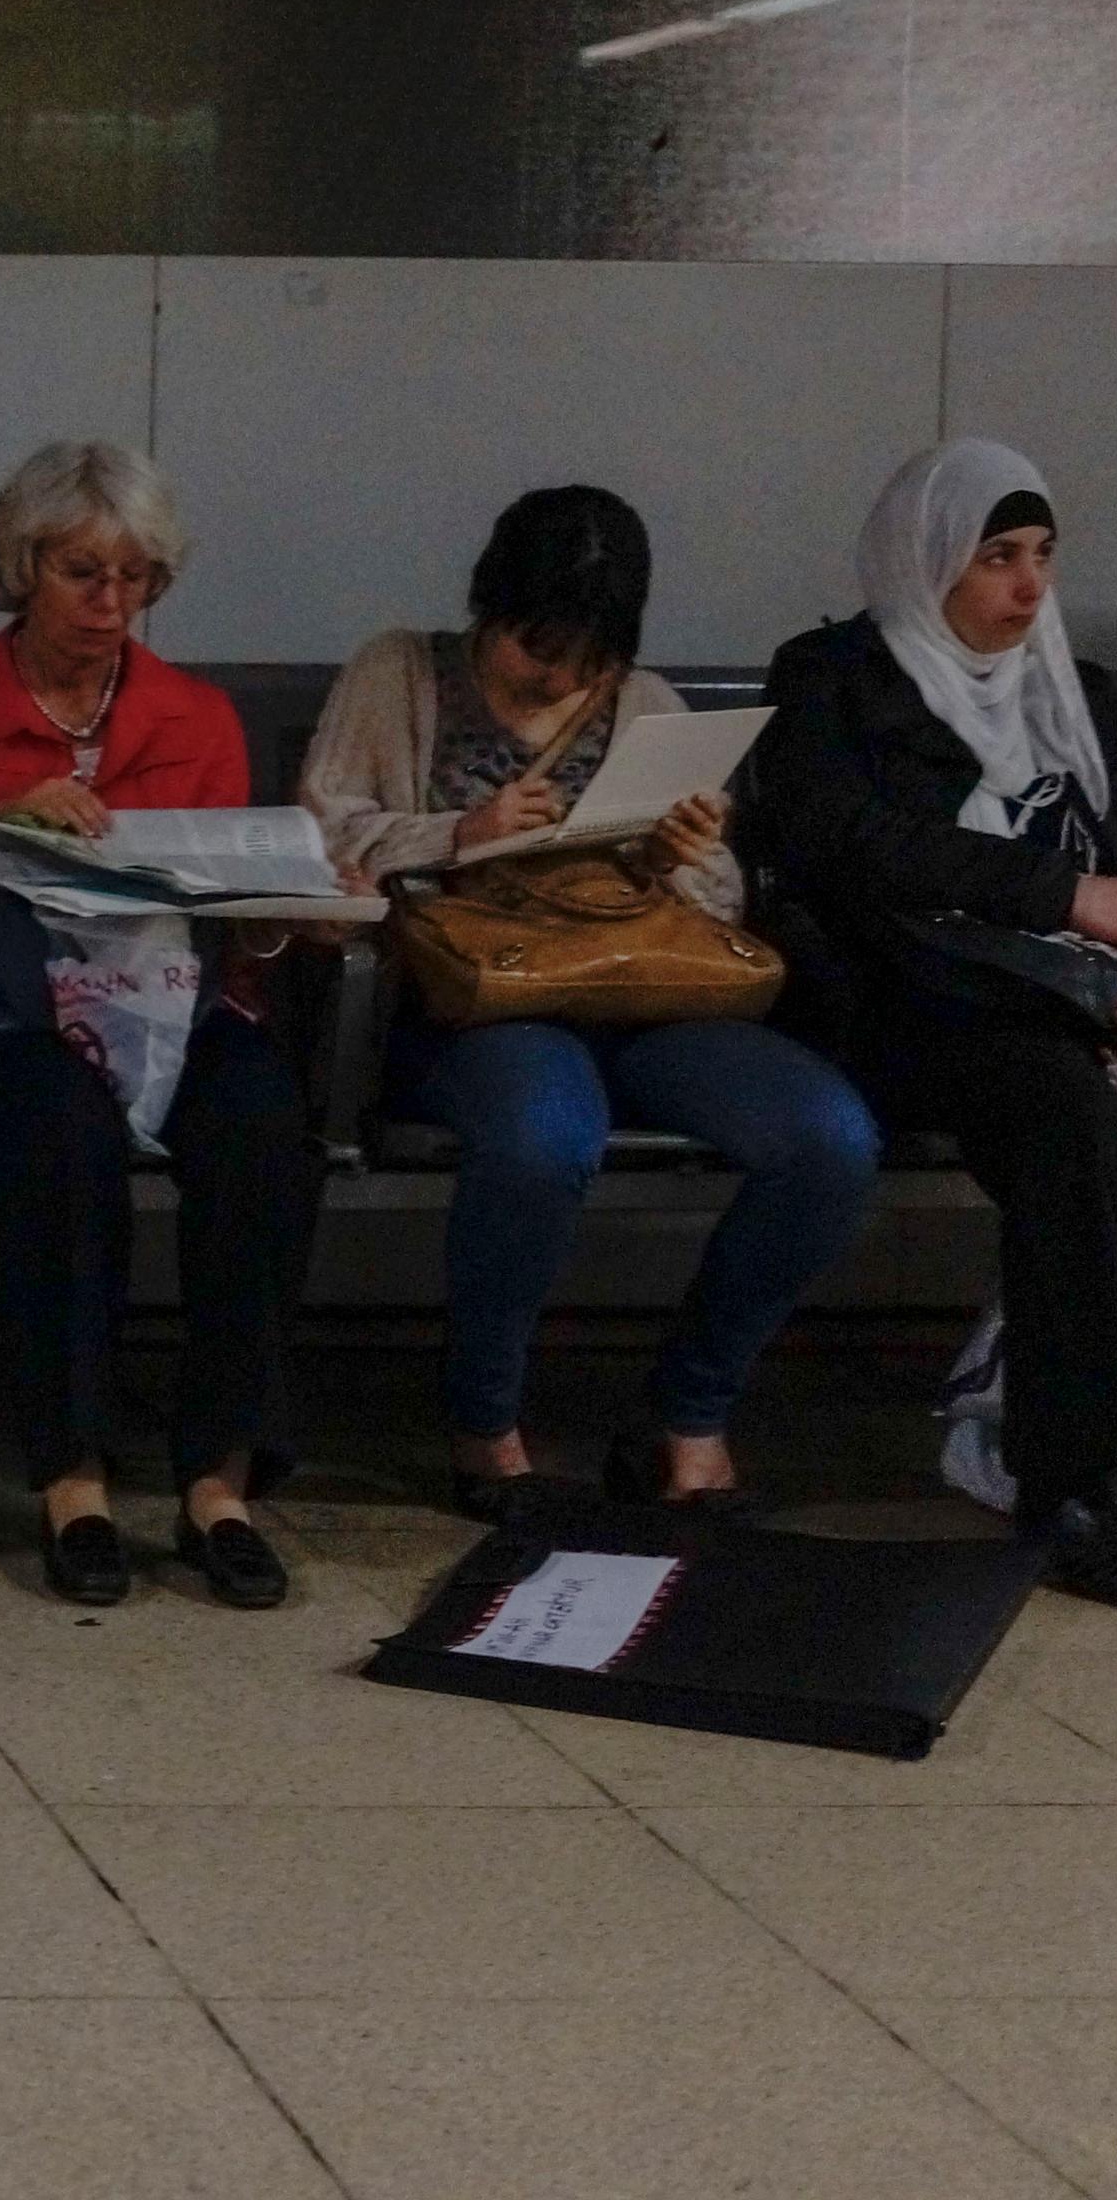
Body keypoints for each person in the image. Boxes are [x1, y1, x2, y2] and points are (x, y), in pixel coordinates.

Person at [303, 485, 879, 1519]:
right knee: (543, 1133)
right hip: (477, 999)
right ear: (493, 604)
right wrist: (457, 833)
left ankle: (688, 1411)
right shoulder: (398, 671)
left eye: (589, 652)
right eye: (538, 644)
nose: (562, 673)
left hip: (644, 990)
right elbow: (324, 836)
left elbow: (714, 906)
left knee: (827, 1138)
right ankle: (485, 1425)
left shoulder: (645, 701)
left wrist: (678, 857)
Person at [0, 440, 319, 1610]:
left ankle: (220, 1478)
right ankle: (72, 1473)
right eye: (83, 573)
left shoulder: (196, 716)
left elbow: (229, 917)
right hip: (2, 1016)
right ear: (22, 567)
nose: (110, 604)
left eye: (134, 579)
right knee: (63, 1135)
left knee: (264, 1125)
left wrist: (280, 914)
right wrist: (7, 835)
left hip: (171, 1006)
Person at [751, 439, 1117, 1603]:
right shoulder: (834, 680)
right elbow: (853, 849)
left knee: (1082, 1090)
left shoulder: (1084, 698)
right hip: (910, 1003)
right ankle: (1073, 1477)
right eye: (997, 557)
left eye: (1044, 557)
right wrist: (1065, 895)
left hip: (1076, 1002)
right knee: (1067, 1109)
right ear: (927, 559)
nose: (1028, 589)